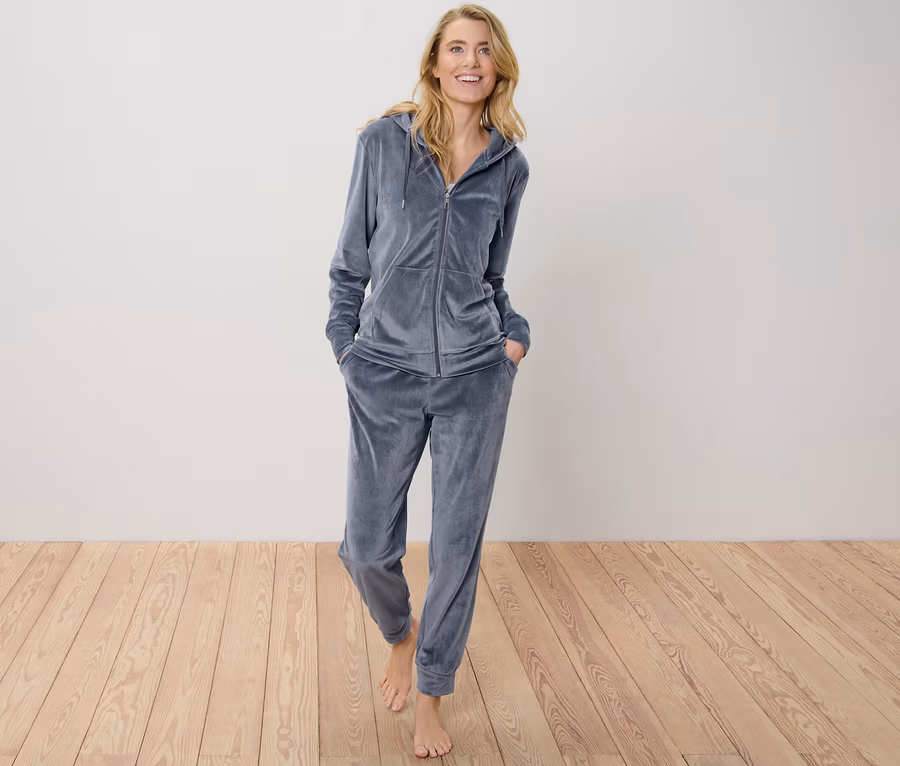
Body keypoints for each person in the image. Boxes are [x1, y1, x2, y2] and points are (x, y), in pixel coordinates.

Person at [325, 4, 531, 758]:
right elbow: (350, 264)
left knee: (455, 549)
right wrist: (347, 350)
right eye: (456, 48)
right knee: (365, 548)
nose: (470, 61)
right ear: (435, 63)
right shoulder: (384, 143)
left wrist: (514, 339)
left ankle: (431, 697)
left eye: (483, 50)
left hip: (476, 377)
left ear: (498, 67)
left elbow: (491, 276)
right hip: (383, 373)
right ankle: (400, 634)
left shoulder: (509, 166)